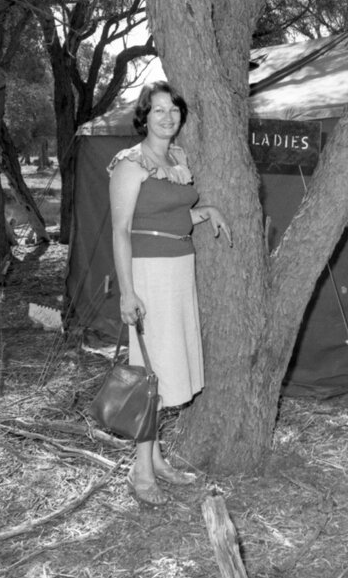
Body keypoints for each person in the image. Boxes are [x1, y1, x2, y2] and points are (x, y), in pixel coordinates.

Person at [108, 81, 232, 506]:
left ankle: (156, 459)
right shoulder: (130, 163)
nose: (167, 117)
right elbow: (121, 231)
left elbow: (173, 213)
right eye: (158, 110)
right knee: (151, 371)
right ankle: (141, 471)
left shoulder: (176, 159)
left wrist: (206, 211)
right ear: (145, 116)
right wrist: (127, 292)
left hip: (181, 269)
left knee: (165, 366)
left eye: (173, 110)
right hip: (149, 275)